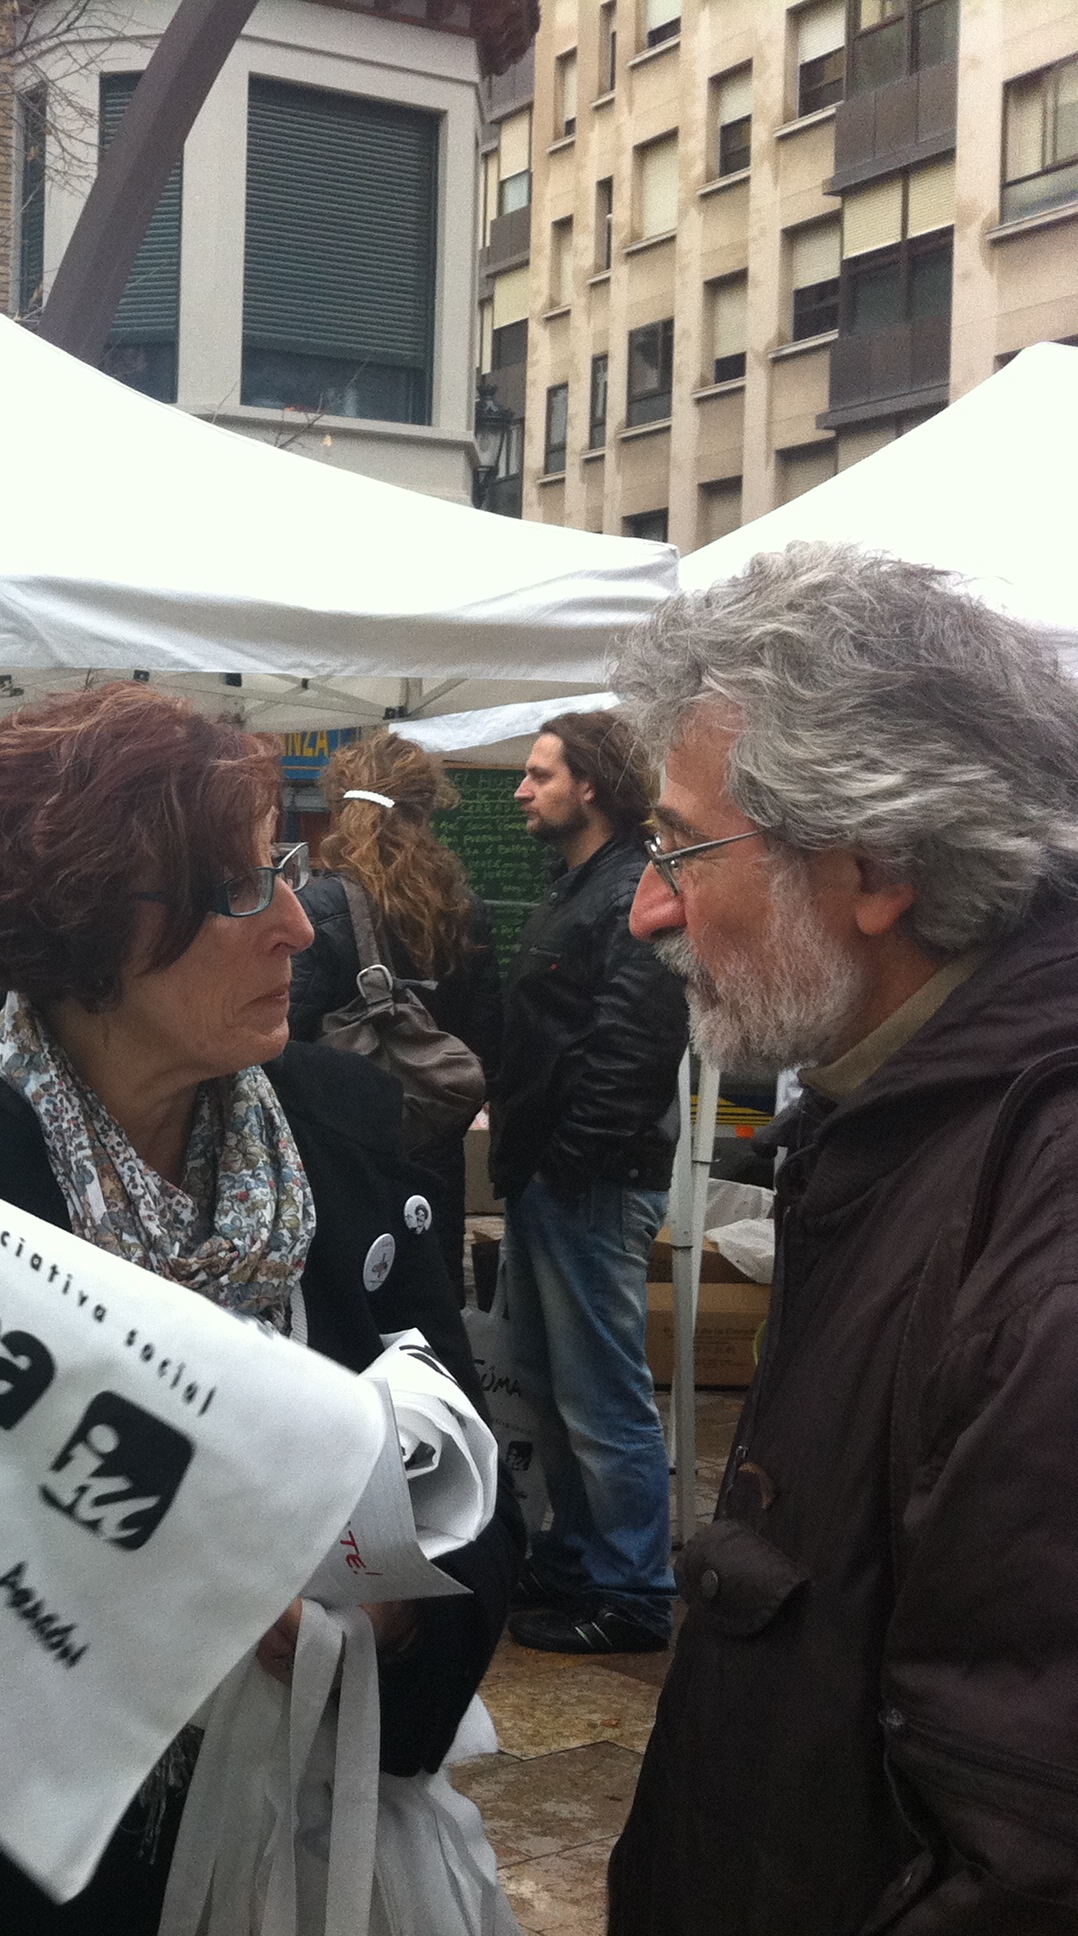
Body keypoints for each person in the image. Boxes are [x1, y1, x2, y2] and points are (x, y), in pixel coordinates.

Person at [0, 684, 519, 1934]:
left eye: (287, 872)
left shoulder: (340, 1132)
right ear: (91, 924)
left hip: (272, 1851)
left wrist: (392, 1621)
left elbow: (471, 1491)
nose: (299, 931)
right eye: (242, 889)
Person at [608, 544, 1078, 1935]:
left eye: (681, 848)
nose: (646, 908)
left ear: (876, 868)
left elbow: (1028, 1853)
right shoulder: (900, 1118)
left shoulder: (1036, 1221)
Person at [486, 710, 689, 1655]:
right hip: (551, 1177)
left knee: (605, 1398)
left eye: (538, 774)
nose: (522, 791)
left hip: (590, 1183)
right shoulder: (580, 885)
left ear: (590, 786)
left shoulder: (634, 890)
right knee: (553, 1383)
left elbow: (635, 1045)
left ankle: (635, 1592)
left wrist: (570, 1163)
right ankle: (575, 1559)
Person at [289, 734, 504, 1294]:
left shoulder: (317, 907)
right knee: (424, 1303)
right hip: (433, 1144)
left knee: (345, 1313)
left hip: (335, 1156)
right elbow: (485, 1039)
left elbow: (281, 1044)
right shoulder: (464, 908)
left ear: (338, 807)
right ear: (425, 810)